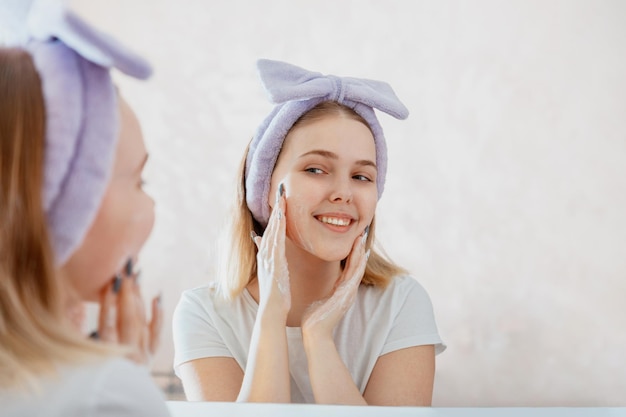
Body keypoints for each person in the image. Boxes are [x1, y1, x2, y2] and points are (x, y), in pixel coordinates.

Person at [173, 59, 446, 405]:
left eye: (361, 176)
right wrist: (271, 315)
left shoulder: (401, 302)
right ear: (265, 187)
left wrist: (318, 337)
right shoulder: (203, 313)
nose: (343, 193)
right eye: (316, 169)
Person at [0, 1, 169, 415]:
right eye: (138, 180)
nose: (151, 202)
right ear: (69, 208)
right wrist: (119, 379)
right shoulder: (107, 396)